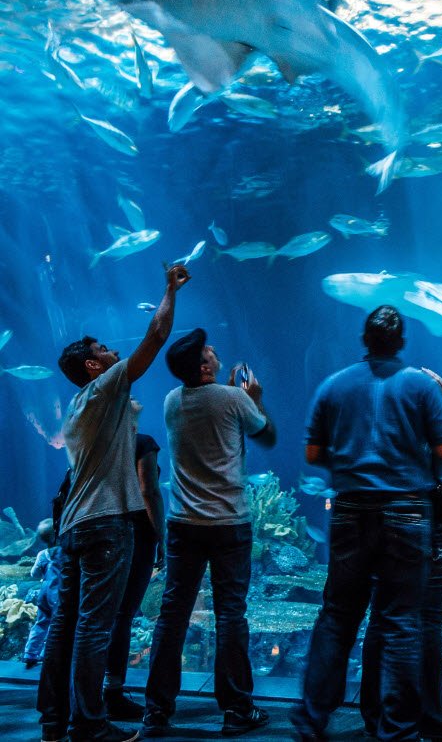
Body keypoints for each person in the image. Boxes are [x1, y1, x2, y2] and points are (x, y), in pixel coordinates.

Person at [38, 264, 190, 742]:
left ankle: (53, 720)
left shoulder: (79, 405)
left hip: (73, 526)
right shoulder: (104, 388)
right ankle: (88, 723)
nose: (112, 351)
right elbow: (156, 336)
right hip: (105, 523)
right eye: (103, 349)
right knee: (94, 626)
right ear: (93, 366)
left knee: (65, 624)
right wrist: (169, 290)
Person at [292, 306, 442, 742]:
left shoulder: (333, 385)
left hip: (350, 510)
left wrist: (349, 466)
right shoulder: (421, 385)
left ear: (364, 340)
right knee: (401, 620)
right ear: (401, 342)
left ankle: (310, 719)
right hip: (407, 510)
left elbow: (312, 454)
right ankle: (397, 730)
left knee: (337, 616)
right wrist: (422, 475)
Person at [142, 329, 276, 738]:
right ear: (204, 367)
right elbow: (266, 434)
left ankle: (157, 711)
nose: (214, 351)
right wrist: (254, 399)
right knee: (230, 613)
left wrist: (235, 396)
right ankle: (236, 710)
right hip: (229, 523)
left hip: (183, 524)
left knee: (172, 614)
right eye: (208, 351)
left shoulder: (171, 400)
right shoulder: (232, 399)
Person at [360, 368, 442, 740]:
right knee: (427, 630)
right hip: (433, 541)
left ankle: (376, 715)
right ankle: (433, 721)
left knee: (380, 626)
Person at [103, 433, 166, 720]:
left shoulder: (95, 439)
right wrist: (161, 536)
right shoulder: (141, 443)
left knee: (93, 616)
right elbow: (149, 491)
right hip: (136, 535)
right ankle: (112, 694)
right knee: (122, 615)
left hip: (99, 531)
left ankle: (81, 694)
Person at [23, 519, 63, 669]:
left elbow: (34, 574)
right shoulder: (64, 552)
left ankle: (30, 653)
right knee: (56, 624)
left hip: (43, 593)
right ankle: (49, 654)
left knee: (40, 622)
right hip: (58, 593)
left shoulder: (42, 554)